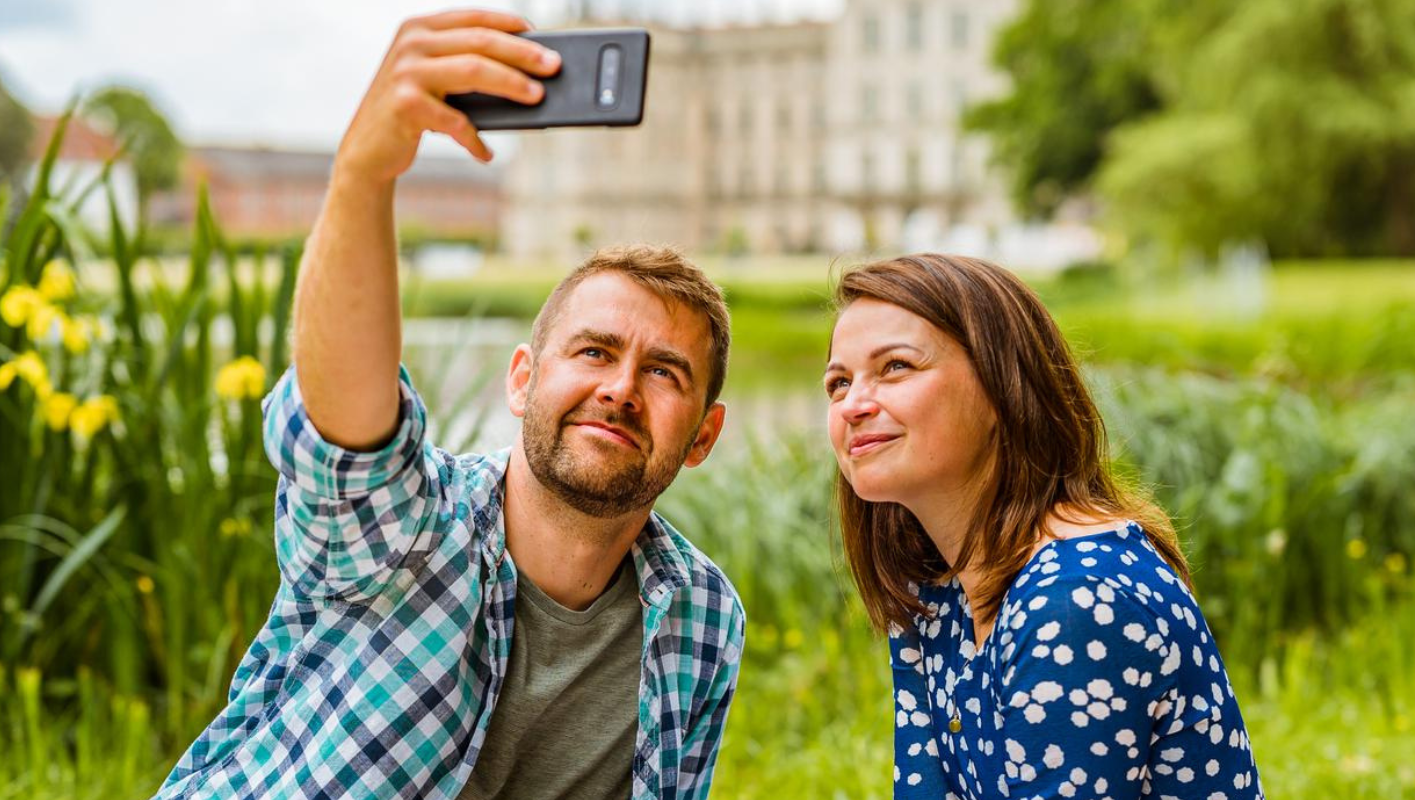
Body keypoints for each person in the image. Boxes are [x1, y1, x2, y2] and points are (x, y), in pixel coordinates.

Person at [154, 10, 745, 800]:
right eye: (595, 351)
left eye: (664, 373)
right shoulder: (408, 526)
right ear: (521, 379)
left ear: (704, 435)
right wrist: (365, 173)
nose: (619, 388)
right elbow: (340, 434)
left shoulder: (703, 619)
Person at [821, 254, 1264, 799]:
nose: (853, 405)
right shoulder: (934, 593)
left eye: (895, 367)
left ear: (1002, 384)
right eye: (838, 383)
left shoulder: (1074, 598)